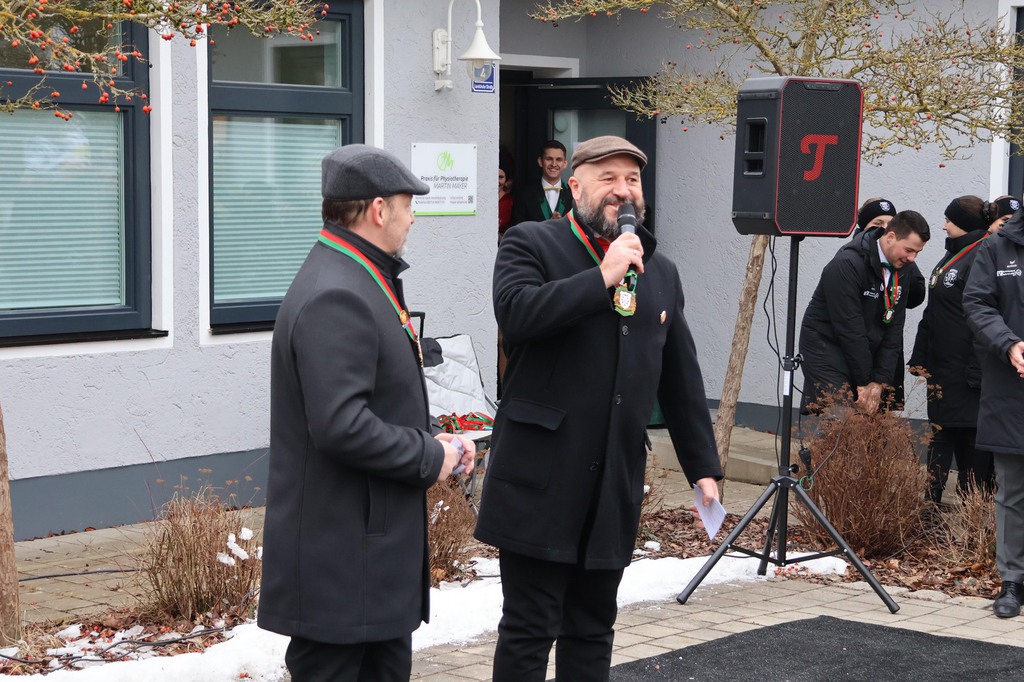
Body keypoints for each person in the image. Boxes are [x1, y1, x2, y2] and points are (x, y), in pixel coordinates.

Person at [475, 135, 724, 681]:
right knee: (530, 627)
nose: (622, 191)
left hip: (612, 480)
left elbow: (679, 376)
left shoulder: (660, 271)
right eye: (608, 178)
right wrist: (603, 277)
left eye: (632, 180)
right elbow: (517, 315)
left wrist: (703, 468)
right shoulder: (530, 242)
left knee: (592, 628)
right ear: (575, 186)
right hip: (541, 478)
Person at [257, 144, 476, 680]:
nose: (412, 218)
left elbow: (377, 399)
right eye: (408, 205)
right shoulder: (338, 292)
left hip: (364, 562)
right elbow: (341, 426)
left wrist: (437, 440)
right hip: (344, 566)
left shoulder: (355, 275)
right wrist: (431, 456)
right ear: (379, 210)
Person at [799, 210, 931, 415]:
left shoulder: (903, 270)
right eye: (909, 250)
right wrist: (864, 381)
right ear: (890, 237)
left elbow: (894, 331)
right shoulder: (847, 263)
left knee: (868, 418)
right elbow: (850, 328)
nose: (912, 258)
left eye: (917, 253)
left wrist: (879, 381)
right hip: (827, 348)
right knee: (842, 417)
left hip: (862, 350)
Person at [909, 196, 996, 503]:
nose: (944, 225)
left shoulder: (982, 255)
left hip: (966, 373)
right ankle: (931, 505)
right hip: (942, 370)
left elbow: (984, 317)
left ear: (964, 223)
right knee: (940, 433)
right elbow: (933, 312)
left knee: (967, 442)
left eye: (949, 220)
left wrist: (976, 370)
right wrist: (920, 357)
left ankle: (972, 509)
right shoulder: (953, 254)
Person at [963, 207, 1024, 618]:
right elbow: (977, 303)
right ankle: (1012, 581)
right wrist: (1009, 343)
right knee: (1013, 492)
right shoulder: (996, 247)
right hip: (1011, 390)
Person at [852, 198, 926, 409]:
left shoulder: (901, 261)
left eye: (889, 222)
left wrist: (904, 270)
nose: (884, 228)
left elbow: (917, 295)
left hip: (886, 351)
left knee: (882, 416)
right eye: (877, 223)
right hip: (858, 354)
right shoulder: (853, 258)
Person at [509, 139, 573, 226]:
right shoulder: (524, 194)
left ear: (565, 164)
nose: (554, 164)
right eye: (549, 159)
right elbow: (517, 229)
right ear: (540, 161)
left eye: (559, 160)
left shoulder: (573, 195)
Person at [498, 164, 515, 239]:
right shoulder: (481, 200)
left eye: (500, 177)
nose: (496, 181)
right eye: (493, 176)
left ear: (506, 180)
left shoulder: (511, 202)